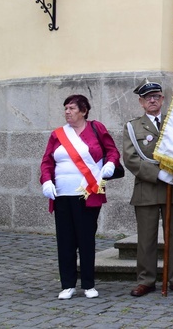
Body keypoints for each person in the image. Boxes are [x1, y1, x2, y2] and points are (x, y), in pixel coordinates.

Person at [40, 94, 121, 300]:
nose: (67, 111)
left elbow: (112, 151)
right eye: (66, 108)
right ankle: (67, 284)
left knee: (86, 239)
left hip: (88, 193)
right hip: (62, 195)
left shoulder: (96, 128)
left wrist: (111, 163)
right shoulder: (57, 134)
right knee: (65, 240)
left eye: (72, 108)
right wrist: (47, 180)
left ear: (84, 111)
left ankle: (88, 284)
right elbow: (47, 161)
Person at [123, 80, 173, 297]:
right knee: (146, 240)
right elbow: (131, 159)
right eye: (148, 97)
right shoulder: (133, 127)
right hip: (147, 189)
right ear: (141, 102)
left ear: (162, 99)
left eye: (156, 96)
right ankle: (146, 280)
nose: (152, 100)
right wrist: (159, 173)